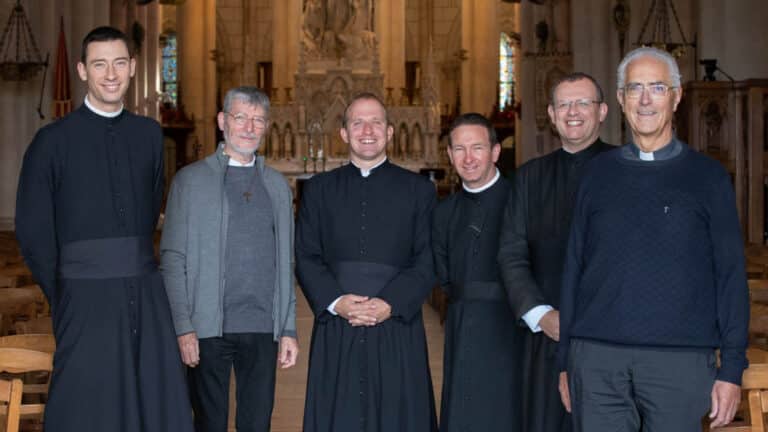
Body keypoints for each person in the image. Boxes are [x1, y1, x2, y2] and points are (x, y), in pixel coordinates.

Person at [557, 47, 749, 431]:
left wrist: (731, 368)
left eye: (657, 88)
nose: (645, 100)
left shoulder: (708, 177)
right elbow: (574, 268)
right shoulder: (596, 174)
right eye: (635, 88)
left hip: (678, 362)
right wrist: (565, 361)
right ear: (620, 98)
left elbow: (730, 276)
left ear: (676, 97)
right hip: (597, 361)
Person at [15, 26, 193, 431]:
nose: (110, 74)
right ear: (82, 71)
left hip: (145, 293)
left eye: (118, 63)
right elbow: (32, 230)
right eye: (99, 64)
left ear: (132, 68)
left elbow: (149, 207)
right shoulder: (51, 141)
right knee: (86, 404)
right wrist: (65, 293)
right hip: (82, 295)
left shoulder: (149, 134)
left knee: (154, 400)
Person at [295, 92, 438, 432]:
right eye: (357, 122)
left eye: (376, 122)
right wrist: (337, 302)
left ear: (390, 132)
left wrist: (391, 303)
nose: (367, 130)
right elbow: (305, 254)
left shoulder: (419, 190)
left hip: (396, 322)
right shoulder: (318, 189)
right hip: (338, 323)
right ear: (343, 133)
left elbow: (429, 256)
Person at [160, 86, 298, 432]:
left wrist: (288, 327)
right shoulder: (190, 182)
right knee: (210, 424)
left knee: (257, 424)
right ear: (223, 121)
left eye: (258, 120)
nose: (249, 127)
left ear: (266, 126)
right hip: (207, 328)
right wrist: (183, 327)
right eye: (241, 118)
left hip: (262, 328)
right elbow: (173, 259)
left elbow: (286, 262)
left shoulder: (277, 186)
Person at [497, 72, 612, 432]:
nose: (572, 112)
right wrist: (539, 314)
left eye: (583, 103)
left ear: (603, 111)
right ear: (551, 112)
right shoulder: (530, 177)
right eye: (564, 104)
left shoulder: (627, 170)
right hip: (546, 335)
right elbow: (511, 253)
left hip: (612, 338)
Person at [432, 113, 522, 432]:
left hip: (510, 328)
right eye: (459, 149)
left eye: (477, 148)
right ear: (449, 155)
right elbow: (443, 273)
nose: (468, 158)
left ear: (495, 152)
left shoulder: (519, 200)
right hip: (460, 324)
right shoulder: (444, 212)